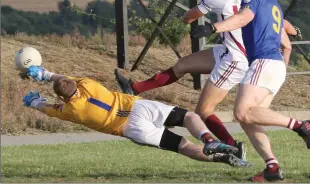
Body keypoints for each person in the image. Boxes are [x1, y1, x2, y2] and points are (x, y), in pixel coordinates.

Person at [115, 0, 301, 161]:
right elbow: (283, 23)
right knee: (183, 64)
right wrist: (294, 31)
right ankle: (136, 89)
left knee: (203, 110)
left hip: (234, 58)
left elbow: (188, 17)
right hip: (228, 51)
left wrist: (199, 15)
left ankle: (233, 147)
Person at [190, 0, 310, 182]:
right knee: (249, 120)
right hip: (274, 65)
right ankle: (272, 167)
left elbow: (241, 18)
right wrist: (280, 69)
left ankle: (299, 125)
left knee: (241, 112)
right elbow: (287, 43)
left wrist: (212, 27)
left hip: (263, 62)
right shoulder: (273, 2)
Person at [22, 65, 251, 168]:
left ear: (63, 98)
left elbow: (50, 108)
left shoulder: (72, 111)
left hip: (131, 127)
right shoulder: (88, 84)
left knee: (182, 146)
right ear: (76, 83)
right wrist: (46, 74)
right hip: (137, 106)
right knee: (188, 116)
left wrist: (35, 102)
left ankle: (223, 159)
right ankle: (210, 140)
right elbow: (64, 78)